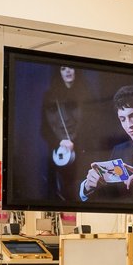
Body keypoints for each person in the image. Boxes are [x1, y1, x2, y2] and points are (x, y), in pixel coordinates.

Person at [38, 65, 89, 202]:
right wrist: (59, 142)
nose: (67, 71)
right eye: (63, 68)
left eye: (71, 67)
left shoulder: (85, 93)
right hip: (59, 155)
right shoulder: (50, 95)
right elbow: (44, 129)